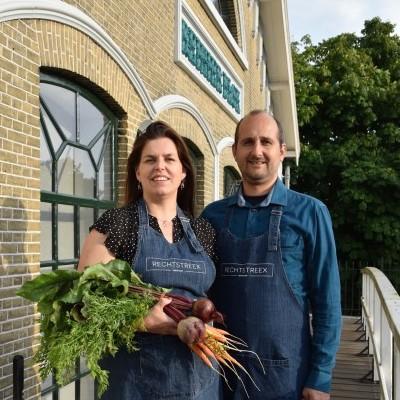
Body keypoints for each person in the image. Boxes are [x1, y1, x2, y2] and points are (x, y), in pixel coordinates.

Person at [201, 110, 342, 400]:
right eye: (248, 142)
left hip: (288, 379)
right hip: (223, 374)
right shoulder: (212, 216)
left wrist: (321, 377)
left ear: (281, 151)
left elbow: (327, 302)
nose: (257, 151)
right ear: (235, 151)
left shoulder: (311, 213)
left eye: (266, 142)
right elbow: (196, 287)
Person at [78, 121, 220, 400]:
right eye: (150, 160)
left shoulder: (203, 231)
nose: (160, 166)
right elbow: (82, 302)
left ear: (183, 173)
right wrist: (139, 320)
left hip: (202, 380)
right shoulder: (118, 225)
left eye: (169, 159)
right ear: (138, 172)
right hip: (135, 383)